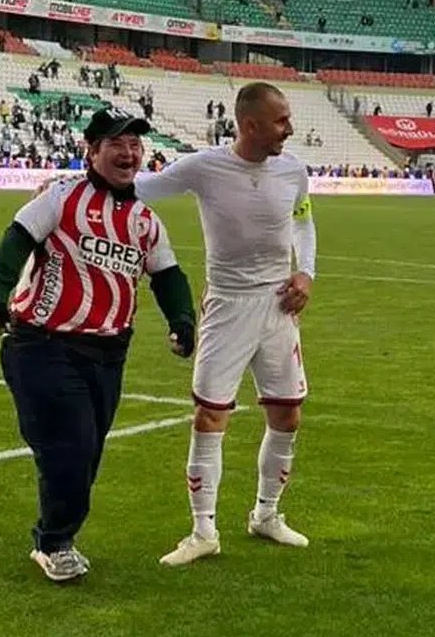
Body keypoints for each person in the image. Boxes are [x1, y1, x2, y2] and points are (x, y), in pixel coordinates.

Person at [0, 109, 197, 582]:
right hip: (44, 344)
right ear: (92, 151)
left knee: (87, 453)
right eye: (117, 144)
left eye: (135, 145)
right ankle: (54, 543)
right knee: (69, 448)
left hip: (109, 354)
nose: (129, 153)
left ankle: (57, 532)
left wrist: (182, 319)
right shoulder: (61, 197)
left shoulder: (144, 220)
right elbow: (16, 240)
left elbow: (167, 275)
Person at [129, 82, 317, 566]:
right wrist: (66, 185)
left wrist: (305, 272)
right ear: (250, 125)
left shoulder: (293, 171)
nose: (289, 129)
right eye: (280, 121)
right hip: (228, 306)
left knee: (287, 415)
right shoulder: (203, 167)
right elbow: (138, 189)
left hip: (279, 307)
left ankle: (266, 514)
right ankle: (203, 531)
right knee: (210, 417)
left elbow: (303, 222)